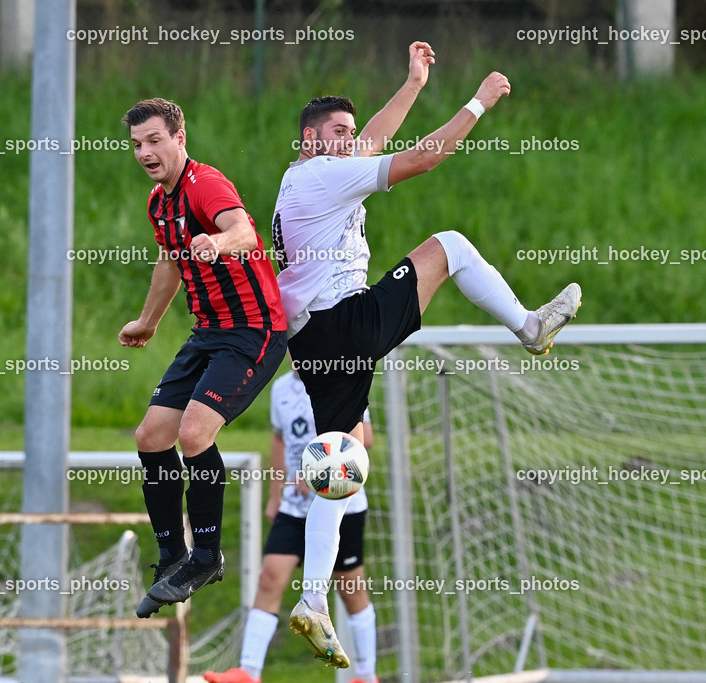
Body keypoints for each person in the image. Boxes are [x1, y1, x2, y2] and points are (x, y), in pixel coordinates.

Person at [272, 43, 582, 667]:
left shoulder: (308, 174)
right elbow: (422, 158)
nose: (351, 141)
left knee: (338, 463)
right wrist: (479, 102)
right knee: (451, 245)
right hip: (345, 325)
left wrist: (413, 82)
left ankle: (312, 600)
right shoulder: (322, 174)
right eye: (338, 132)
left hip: (310, 344)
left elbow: (375, 140)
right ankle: (528, 326)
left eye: (350, 132)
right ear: (309, 140)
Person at [118, 98, 288, 617]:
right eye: (137, 145)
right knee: (151, 436)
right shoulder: (158, 202)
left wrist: (219, 242)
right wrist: (147, 322)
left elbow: (243, 231)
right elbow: (170, 263)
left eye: (154, 140)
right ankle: (173, 555)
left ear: (179, 137)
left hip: (254, 331)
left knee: (194, 434)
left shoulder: (204, 183)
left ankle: (208, 555)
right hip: (209, 333)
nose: (146, 152)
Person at [204, 369, 379, 683]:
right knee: (269, 578)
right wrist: (275, 495)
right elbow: (279, 440)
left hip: (342, 504)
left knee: (350, 589)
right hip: (294, 506)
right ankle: (248, 671)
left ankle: (366, 675)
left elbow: (364, 440)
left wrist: (319, 472)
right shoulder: (281, 387)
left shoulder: (342, 376)